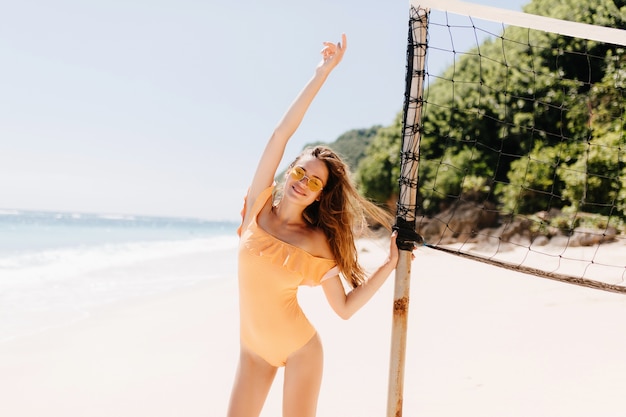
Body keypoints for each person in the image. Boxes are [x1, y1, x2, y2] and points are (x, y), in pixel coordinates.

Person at [227, 33, 407, 417]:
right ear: (289, 170)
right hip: (252, 350)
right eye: (300, 171)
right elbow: (281, 133)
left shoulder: (316, 243)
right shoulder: (257, 208)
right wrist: (322, 73)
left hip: (300, 350)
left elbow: (343, 308)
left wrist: (388, 265)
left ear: (320, 196)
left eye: (314, 182)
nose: (302, 182)